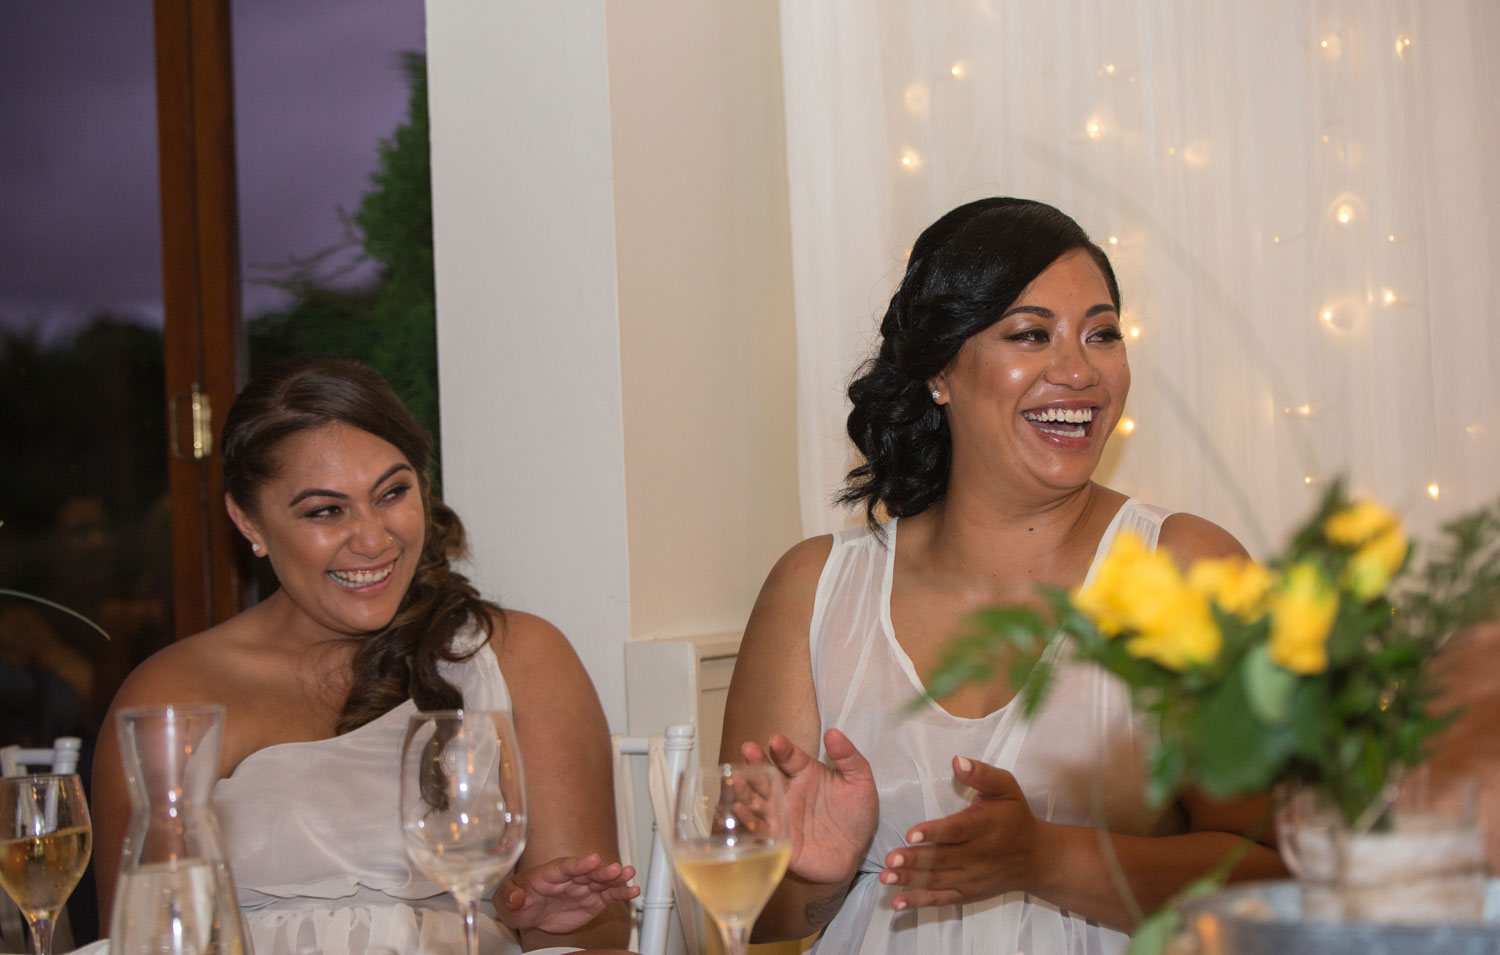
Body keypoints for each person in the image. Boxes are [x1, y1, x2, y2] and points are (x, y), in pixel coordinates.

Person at [720, 198, 1286, 954]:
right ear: (940, 372)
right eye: (1031, 333)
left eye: (1103, 333)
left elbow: (1282, 879)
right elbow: (740, 917)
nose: (1079, 370)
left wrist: (1047, 859)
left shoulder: (1187, 569)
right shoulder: (813, 591)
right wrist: (824, 873)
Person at [92, 356, 637, 955]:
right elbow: (138, 940)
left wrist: (529, 911)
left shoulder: (519, 657)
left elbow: (599, 934)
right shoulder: (172, 695)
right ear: (247, 520)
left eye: (392, 493)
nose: (373, 539)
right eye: (326, 511)